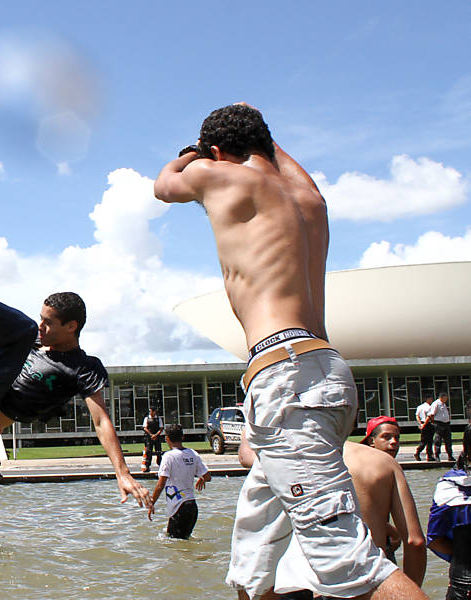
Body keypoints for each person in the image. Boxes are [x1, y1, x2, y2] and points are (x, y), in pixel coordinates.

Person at [154, 103, 418, 599]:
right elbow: (279, 162)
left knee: (349, 561)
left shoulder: (218, 174)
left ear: (217, 151)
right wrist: (260, 132)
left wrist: (190, 154)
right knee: (255, 567)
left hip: (287, 377)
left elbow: (164, 185)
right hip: (321, 370)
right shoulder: (309, 197)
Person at [0, 179, 148, 509]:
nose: (41, 327)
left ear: (72, 327)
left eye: (49, 323)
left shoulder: (84, 368)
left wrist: (122, 472)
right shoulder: (31, 339)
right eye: (41, 318)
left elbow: (101, 420)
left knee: (18, 327)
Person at [239, 436, 427, 597]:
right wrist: (404, 590)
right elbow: (415, 541)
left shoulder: (285, 461)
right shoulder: (383, 462)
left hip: (306, 581)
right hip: (366, 582)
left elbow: (259, 546)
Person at [428, 425, 471, 600]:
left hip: (463, 583)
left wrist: (462, 556)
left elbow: (434, 540)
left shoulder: (449, 487)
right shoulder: (451, 488)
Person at [147, 424, 211, 539]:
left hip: (178, 508)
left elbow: (161, 484)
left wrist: (151, 502)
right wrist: (201, 478)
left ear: (167, 438)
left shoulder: (168, 456)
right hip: (192, 507)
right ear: (182, 437)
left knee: (173, 543)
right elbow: (208, 477)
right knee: (184, 541)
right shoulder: (193, 453)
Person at [433, 392, 455, 462]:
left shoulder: (444, 404)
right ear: (441, 397)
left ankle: (450, 455)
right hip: (439, 424)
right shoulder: (436, 404)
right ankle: (437, 455)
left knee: (448, 440)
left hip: (446, 424)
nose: (447, 399)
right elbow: (431, 414)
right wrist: (434, 423)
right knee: (438, 440)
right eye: (445, 397)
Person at [415, 396, 436, 462]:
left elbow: (417, 416)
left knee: (423, 440)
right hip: (428, 424)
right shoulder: (429, 407)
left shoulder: (420, 407)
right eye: (431, 399)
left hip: (422, 423)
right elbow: (429, 417)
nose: (432, 400)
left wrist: (420, 424)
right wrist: (424, 425)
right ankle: (428, 455)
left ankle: (419, 452)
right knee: (429, 441)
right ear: (428, 399)